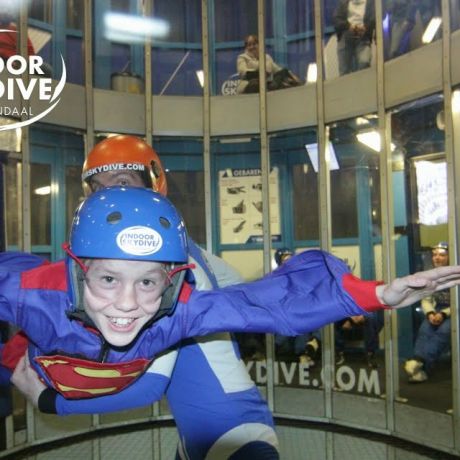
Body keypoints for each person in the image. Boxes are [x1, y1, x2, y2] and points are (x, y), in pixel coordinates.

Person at [7, 187, 460, 409]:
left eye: (147, 283)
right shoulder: (30, 295)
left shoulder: (179, 312)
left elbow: (269, 302)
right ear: (75, 270)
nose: (127, 305)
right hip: (25, 358)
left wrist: (376, 294)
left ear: (171, 281)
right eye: (108, 280)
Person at [3, 135, 280, 460]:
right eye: (98, 187)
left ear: (153, 184)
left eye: (123, 181)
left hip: (238, 440)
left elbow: (149, 386)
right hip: (197, 442)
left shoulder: (174, 270)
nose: (110, 195)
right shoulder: (181, 257)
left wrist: (49, 401)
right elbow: (233, 281)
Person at [404, 242, 451, 383]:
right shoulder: (430, 276)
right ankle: (420, 370)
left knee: (443, 331)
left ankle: (420, 362)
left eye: (442, 255)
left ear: (450, 257)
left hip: (453, 312)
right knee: (425, 330)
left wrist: (443, 314)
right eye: (435, 255)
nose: (437, 258)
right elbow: (426, 299)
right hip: (436, 310)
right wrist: (430, 313)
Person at [236, 34, 301, 94]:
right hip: (250, 84)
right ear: (246, 47)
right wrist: (261, 69)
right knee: (255, 83)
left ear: (259, 45)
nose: (252, 47)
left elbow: (277, 69)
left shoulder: (266, 57)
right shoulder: (242, 57)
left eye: (254, 44)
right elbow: (243, 72)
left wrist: (291, 74)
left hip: (266, 84)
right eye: (249, 45)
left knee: (283, 72)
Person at [333, 0, 376, 76]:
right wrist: (349, 27)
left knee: (364, 64)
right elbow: (336, 19)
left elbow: (375, 18)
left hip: (363, 37)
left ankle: (363, 86)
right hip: (346, 36)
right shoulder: (344, 2)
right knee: (344, 70)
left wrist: (366, 28)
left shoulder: (370, 2)